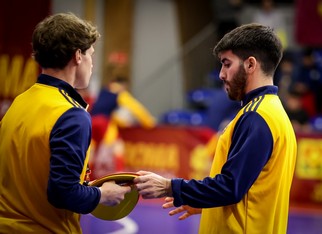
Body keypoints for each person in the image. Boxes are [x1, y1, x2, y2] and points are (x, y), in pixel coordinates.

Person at [134, 23, 297, 233]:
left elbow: (231, 187)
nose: (221, 74)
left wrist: (169, 187)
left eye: (226, 64)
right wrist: (206, 204)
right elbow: (251, 190)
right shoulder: (274, 112)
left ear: (250, 64)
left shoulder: (256, 116)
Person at [0, 12, 131, 233]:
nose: (92, 64)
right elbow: (63, 193)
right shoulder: (71, 114)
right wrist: (102, 194)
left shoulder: (20, 101)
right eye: (91, 54)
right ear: (78, 56)